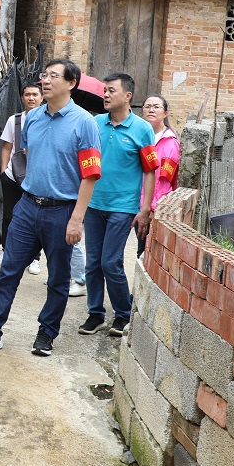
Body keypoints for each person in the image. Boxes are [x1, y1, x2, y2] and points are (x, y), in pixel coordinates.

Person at [0, 59, 102, 357]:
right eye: (44, 75)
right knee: (8, 270)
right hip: (27, 206)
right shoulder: (32, 118)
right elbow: (27, 156)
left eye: (53, 76)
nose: (45, 81)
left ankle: (47, 332)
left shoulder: (84, 123)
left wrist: (77, 219)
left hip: (62, 211)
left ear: (71, 83)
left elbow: (90, 175)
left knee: (58, 278)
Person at [78, 73, 158, 338]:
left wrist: (145, 208)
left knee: (110, 262)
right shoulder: (95, 123)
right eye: (105, 91)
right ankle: (95, 314)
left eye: (111, 90)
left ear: (127, 96)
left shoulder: (142, 129)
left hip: (123, 207)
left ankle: (123, 313)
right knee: (93, 263)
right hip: (94, 203)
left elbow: (150, 171)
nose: (105, 95)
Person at [0, 82, 43, 277]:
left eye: (35, 94)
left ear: (42, 98)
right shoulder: (14, 120)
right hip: (12, 175)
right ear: (22, 98)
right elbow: (6, 147)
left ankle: (34, 258)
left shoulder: (46, 120)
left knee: (35, 218)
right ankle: (6, 250)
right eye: (27, 94)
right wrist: (3, 171)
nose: (31, 98)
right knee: (9, 215)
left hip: (37, 178)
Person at [140, 94, 179, 256]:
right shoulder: (138, 136)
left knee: (145, 252)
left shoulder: (170, 143)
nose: (151, 110)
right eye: (147, 106)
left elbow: (164, 182)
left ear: (165, 113)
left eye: (156, 107)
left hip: (151, 208)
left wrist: (151, 208)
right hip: (132, 202)